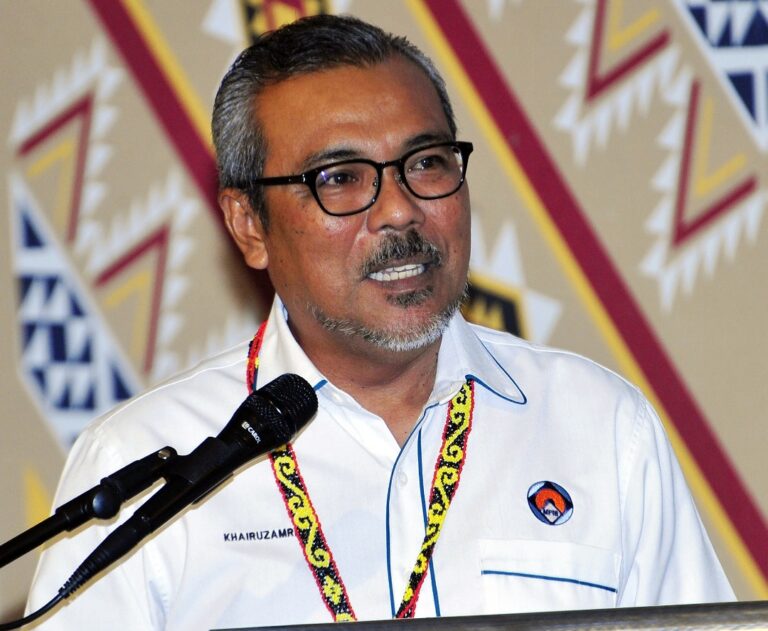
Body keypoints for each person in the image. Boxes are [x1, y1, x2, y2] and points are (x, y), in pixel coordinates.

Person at [25, 13, 733, 630]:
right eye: (339, 178)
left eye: (425, 163)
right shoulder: (146, 464)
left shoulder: (600, 428)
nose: (399, 210)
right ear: (248, 224)